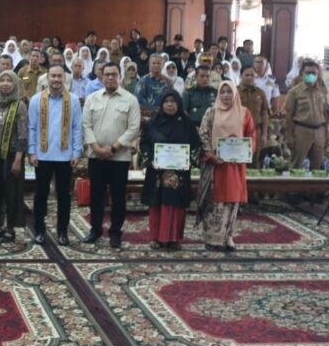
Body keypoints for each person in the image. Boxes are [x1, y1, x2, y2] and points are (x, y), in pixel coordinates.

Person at [82, 62, 141, 249]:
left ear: (119, 76)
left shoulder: (130, 100)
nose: (110, 78)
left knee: (118, 197)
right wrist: (97, 148)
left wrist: (114, 148)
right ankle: (95, 230)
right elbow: (86, 125)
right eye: (106, 74)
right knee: (96, 196)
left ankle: (116, 232)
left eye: (113, 74)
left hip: (120, 158)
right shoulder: (92, 98)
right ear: (101, 76)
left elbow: (134, 128)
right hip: (96, 155)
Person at [28, 65, 83, 246]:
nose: (56, 79)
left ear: (64, 79)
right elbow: (32, 128)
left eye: (60, 76)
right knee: (40, 195)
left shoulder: (73, 100)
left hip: (65, 156)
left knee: (63, 196)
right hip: (42, 155)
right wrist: (32, 151)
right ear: (47, 78)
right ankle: (40, 231)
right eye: (53, 76)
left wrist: (76, 152)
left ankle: (62, 232)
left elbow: (76, 128)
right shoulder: (37, 100)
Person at [197, 80, 256, 252]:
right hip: (215, 165)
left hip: (234, 166)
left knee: (232, 200)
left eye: (229, 92)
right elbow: (203, 134)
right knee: (214, 201)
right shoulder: (211, 112)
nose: (225, 96)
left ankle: (228, 236)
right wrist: (211, 155)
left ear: (235, 94)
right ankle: (212, 238)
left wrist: (245, 151)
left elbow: (251, 136)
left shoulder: (244, 113)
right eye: (222, 92)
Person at [140, 91, 201, 250]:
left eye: (173, 101)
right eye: (166, 101)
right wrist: (151, 159)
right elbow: (144, 143)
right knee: (157, 203)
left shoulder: (186, 123)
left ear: (179, 104)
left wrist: (190, 160)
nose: (170, 104)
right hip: (157, 172)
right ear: (161, 104)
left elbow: (196, 145)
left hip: (179, 173)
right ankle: (155, 237)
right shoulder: (153, 122)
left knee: (175, 203)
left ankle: (173, 238)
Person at [0, 71, 28, 243]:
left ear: (15, 84)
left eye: (9, 80)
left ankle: (10, 227)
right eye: (2, 80)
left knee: (12, 192)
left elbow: (23, 135)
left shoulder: (20, 105)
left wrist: (18, 159)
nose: (5, 83)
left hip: (12, 157)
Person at [284, 60, 329, 170]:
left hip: (319, 130)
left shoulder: (322, 91)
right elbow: (289, 115)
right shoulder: (294, 92)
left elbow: (325, 113)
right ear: (302, 74)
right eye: (308, 73)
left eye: (314, 73)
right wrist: (290, 136)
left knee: (317, 165)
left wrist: (326, 134)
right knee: (297, 165)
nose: (311, 75)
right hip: (301, 130)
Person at [237, 66, 271, 165]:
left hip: (256, 130)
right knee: (239, 159)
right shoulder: (235, 92)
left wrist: (264, 134)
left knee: (255, 159)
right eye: (247, 75)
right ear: (241, 76)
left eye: (252, 75)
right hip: (239, 130)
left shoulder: (260, 93)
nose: (249, 77)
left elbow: (264, 114)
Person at [136, 54, 168, 119]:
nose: (156, 65)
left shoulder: (168, 82)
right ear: (149, 65)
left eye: (159, 63)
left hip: (164, 116)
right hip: (147, 117)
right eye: (153, 63)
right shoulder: (142, 81)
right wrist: (153, 111)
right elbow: (139, 99)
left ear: (162, 65)